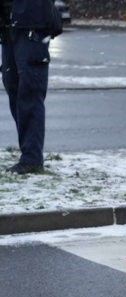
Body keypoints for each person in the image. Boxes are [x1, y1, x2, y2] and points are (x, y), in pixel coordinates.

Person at [1, 0, 61, 174]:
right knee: (14, 87)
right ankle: (29, 152)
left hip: (31, 23)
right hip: (10, 25)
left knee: (29, 91)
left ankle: (32, 158)